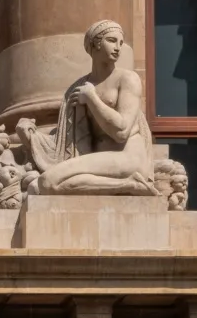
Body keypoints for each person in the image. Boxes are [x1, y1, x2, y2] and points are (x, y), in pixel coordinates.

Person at [21, 20, 156, 196]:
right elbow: (66, 139)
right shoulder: (78, 88)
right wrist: (32, 136)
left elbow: (121, 132)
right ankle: (129, 185)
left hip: (128, 158)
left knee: (47, 181)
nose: (118, 48)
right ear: (95, 44)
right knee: (47, 184)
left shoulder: (128, 79)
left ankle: (132, 182)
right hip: (98, 163)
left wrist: (91, 98)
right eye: (111, 40)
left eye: (121, 43)